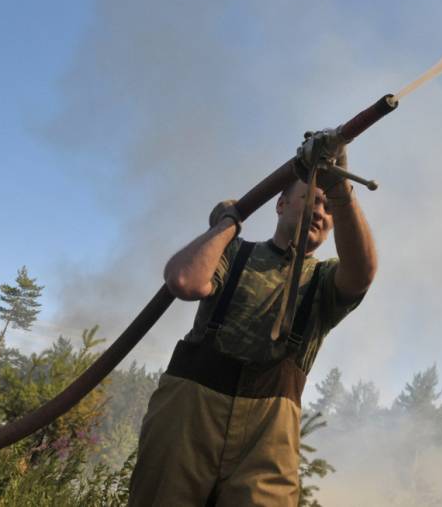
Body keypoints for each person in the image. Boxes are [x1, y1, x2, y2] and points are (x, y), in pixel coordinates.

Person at [128, 130, 377, 506]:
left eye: (330, 210)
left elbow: (363, 273)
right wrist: (227, 223)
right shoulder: (235, 253)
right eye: (314, 198)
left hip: (270, 429)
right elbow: (185, 280)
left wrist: (341, 190)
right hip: (188, 414)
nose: (322, 213)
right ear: (280, 205)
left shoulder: (325, 280)